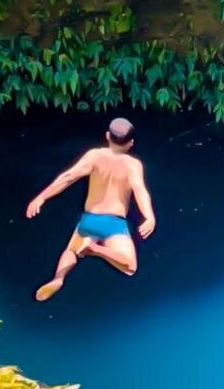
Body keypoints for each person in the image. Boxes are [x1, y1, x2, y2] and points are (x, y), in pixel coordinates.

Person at [26, 117, 155, 301]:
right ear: (131, 143)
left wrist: (41, 197)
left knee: (71, 251)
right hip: (114, 223)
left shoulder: (94, 155)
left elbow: (68, 177)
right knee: (130, 267)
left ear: (107, 136)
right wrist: (149, 217)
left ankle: (59, 278)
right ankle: (95, 249)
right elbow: (140, 191)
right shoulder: (133, 165)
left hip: (90, 219)